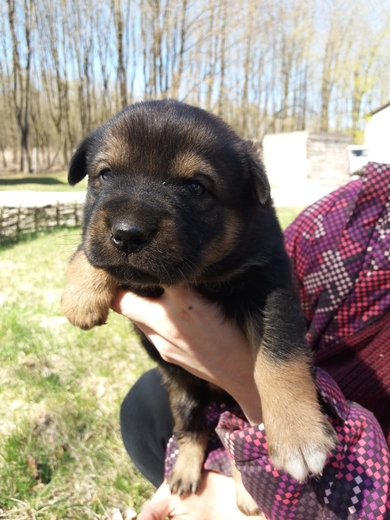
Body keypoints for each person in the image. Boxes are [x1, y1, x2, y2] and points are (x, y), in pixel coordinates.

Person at [113, 162, 390, 520]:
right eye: (105, 175)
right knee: (146, 405)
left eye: (196, 187)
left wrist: (246, 388)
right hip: (238, 414)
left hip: (350, 477)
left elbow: (269, 298)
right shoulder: (353, 212)